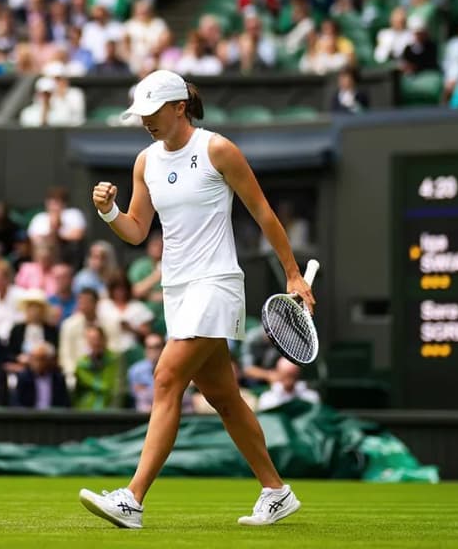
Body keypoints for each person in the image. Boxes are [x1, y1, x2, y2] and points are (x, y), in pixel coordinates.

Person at [79, 69, 314, 528]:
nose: (146, 121)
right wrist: (108, 211)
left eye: (153, 112)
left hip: (217, 283)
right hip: (178, 291)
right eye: (140, 114)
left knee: (166, 378)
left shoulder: (217, 149)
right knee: (224, 398)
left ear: (179, 107)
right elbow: (136, 230)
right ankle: (276, 490)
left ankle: (132, 499)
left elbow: (263, 212)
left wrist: (293, 275)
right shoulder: (145, 161)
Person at [256, 359, 321, 410]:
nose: (289, 380)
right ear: (279, 374)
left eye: (292, 375)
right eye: (286, 375)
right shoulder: (267, 400)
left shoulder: (311, 397)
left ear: (297, 375)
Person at [127, 332, 164, 413]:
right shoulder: (135, 370)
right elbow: (137, 395)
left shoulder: (172, 368)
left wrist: (146, 390)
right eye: (150, 347)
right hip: (144, 411)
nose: (153, 351)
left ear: (163, 348)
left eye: (157, 347)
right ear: (145, 349)